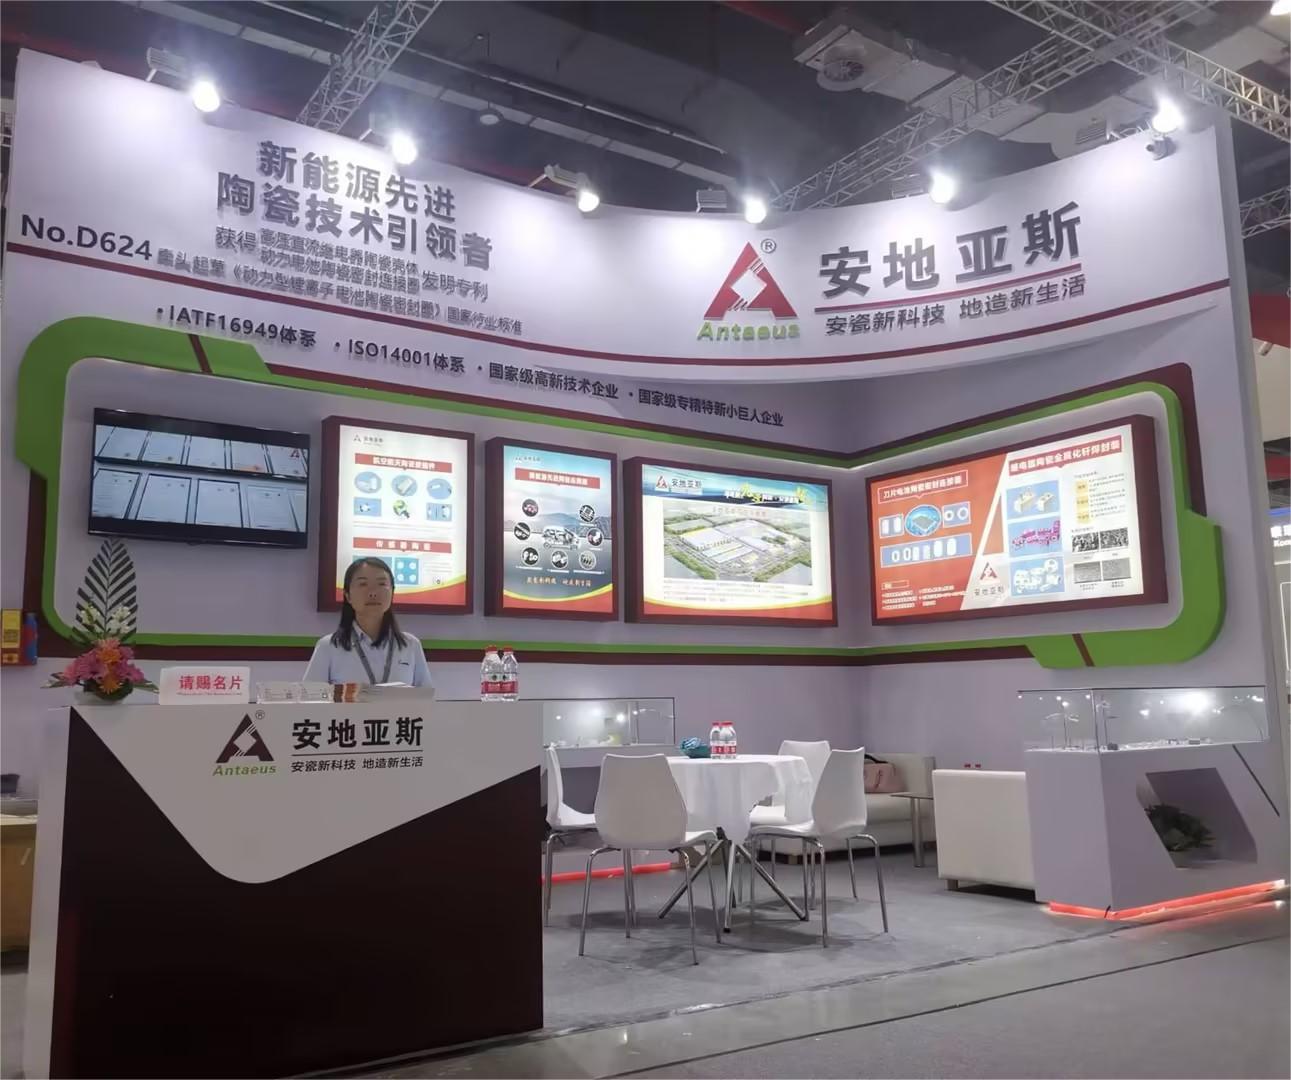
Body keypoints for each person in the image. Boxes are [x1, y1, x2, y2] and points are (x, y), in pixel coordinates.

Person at [304, 557, 433, 688]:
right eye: (363, 584)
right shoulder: (328, 646)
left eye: (381, 584)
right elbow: (310, 697)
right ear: (348, 595)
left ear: (392, 592)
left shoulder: (411, 645)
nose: (372, 593)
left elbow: (426, 696)